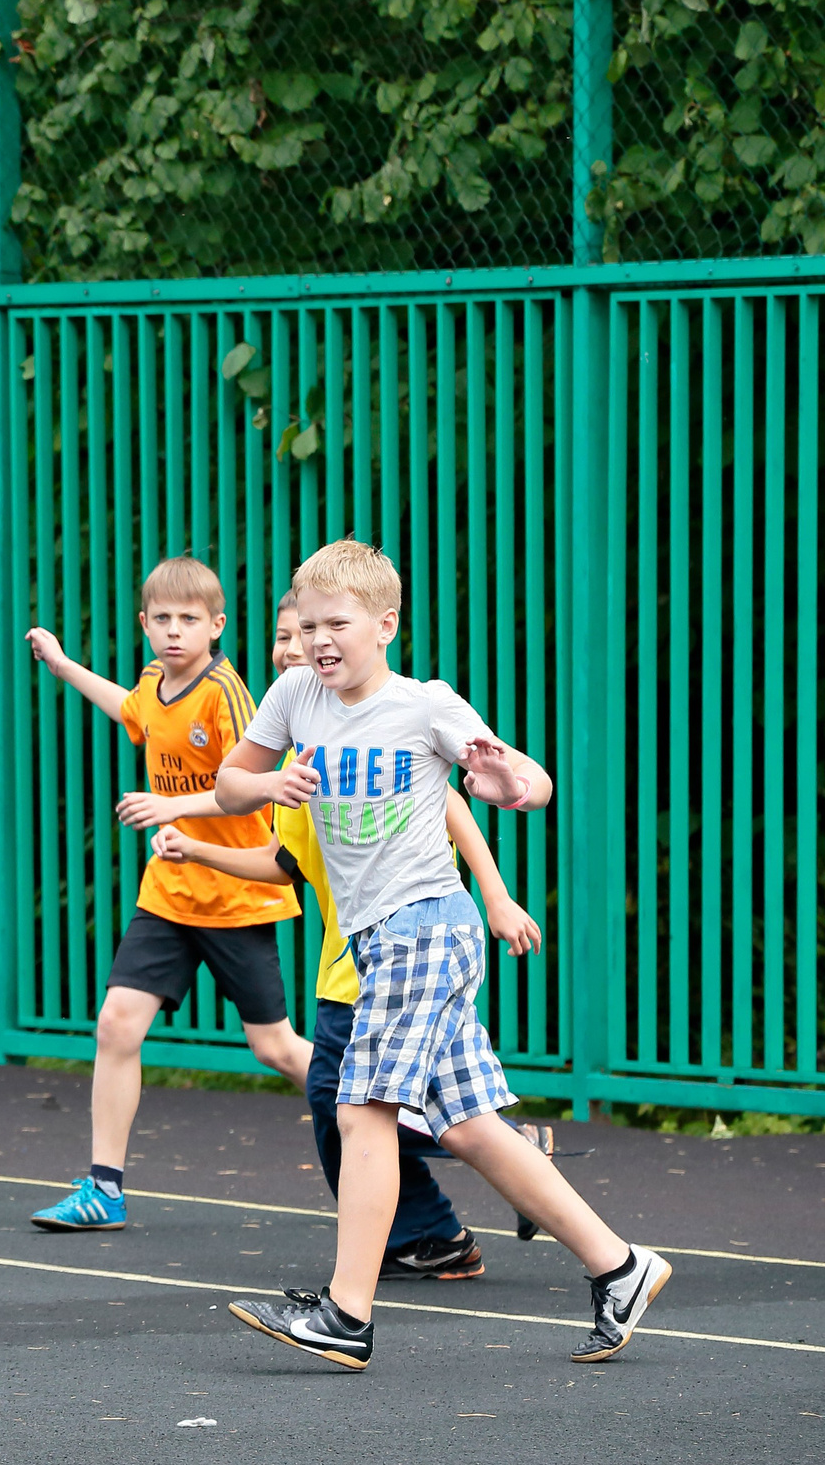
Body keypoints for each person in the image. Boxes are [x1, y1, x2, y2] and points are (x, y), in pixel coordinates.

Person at [215, 540, 669, 1369]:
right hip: (383, 935)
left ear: (384, 625)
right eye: (306, 625)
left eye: (337, 624)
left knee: (361, 1112)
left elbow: (523, 779)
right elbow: (228, 781)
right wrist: (269, 785)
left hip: (425, 926)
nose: (318, 640)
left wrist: (509, 784)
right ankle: (622, 1265)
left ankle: (347, 1315)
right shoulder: (294, 695)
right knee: (467, 1126)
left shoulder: (426, 705)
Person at [151, 591, 545, 1280]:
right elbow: (281, 859)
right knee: (420, 1115)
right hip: (353, 956)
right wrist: (199, 843)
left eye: (319, 631)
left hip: (400, 951)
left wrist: (498, 894)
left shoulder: (396, 724)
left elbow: (464, 799)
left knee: (361, 1115)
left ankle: (369, 1283)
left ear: (377, 633)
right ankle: (494, 1227)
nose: (295, 646)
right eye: (288, 634)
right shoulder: (305, 766)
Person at [24, 558, 310, 1233]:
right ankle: (104, 1187)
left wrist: (169, 803)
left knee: (276, 1049)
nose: (174, 631)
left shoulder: (227, 692)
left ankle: (417, 1129)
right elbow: (128, 708)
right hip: (169, 893)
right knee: (117, 1023)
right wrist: (64, 666)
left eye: (189, 620)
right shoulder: (154, 682)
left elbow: (254, 783)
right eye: (163, 619)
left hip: (238, 890)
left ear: (217, 626)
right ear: (145, 624)